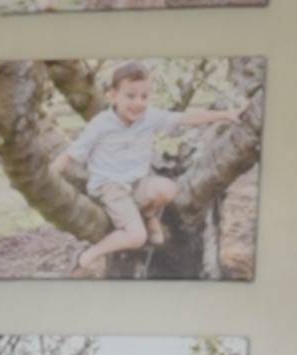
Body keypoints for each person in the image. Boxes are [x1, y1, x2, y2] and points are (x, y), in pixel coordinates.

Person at [52, 61, 246, 276]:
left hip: (136, 183)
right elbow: (72, 153)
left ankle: (149, 214)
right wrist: (50, 176)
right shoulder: (100, 124)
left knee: (167, 188)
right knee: (136, 238)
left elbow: (185, 118)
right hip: (110, 187)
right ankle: (87, 256)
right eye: (131, 95)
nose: (138, 103)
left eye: (144, 96)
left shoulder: (149, 117)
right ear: (112, 95)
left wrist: (225, 115)